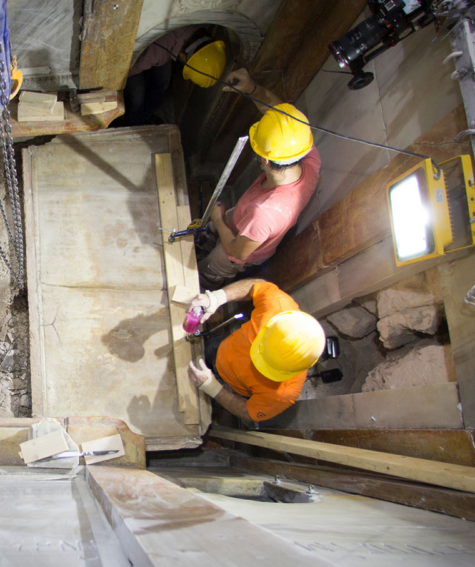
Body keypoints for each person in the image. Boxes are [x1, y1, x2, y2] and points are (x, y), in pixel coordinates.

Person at [197, 68, 322, 290]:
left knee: (207, 270)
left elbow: (237, 250)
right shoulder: (308, 158)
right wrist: (252, 88)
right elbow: (281, 120)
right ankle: (201, 244)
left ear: (264, 160)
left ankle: (198, 280)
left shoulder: (266, 212)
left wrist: (217, 219)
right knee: (208, 235)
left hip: (233, 253)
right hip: (242, 220)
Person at [185, 278, 324, 422]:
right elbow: (255, 286)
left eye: (267, 366)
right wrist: (216, 298)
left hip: (225, 385)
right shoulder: (277, 308)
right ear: (269, 327)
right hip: (221, 347)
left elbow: (249, 412)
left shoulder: (283, 393)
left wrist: (212, 388)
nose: (254, 362)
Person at [120, 27, 226, 126]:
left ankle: (145, 116)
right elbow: (127, 70)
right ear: (183, 56)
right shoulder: (156, 53)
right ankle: (134, 124)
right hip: (130, 60)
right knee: (136, 97)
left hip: (166, 48)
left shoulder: (196, 28)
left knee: (162, 83)